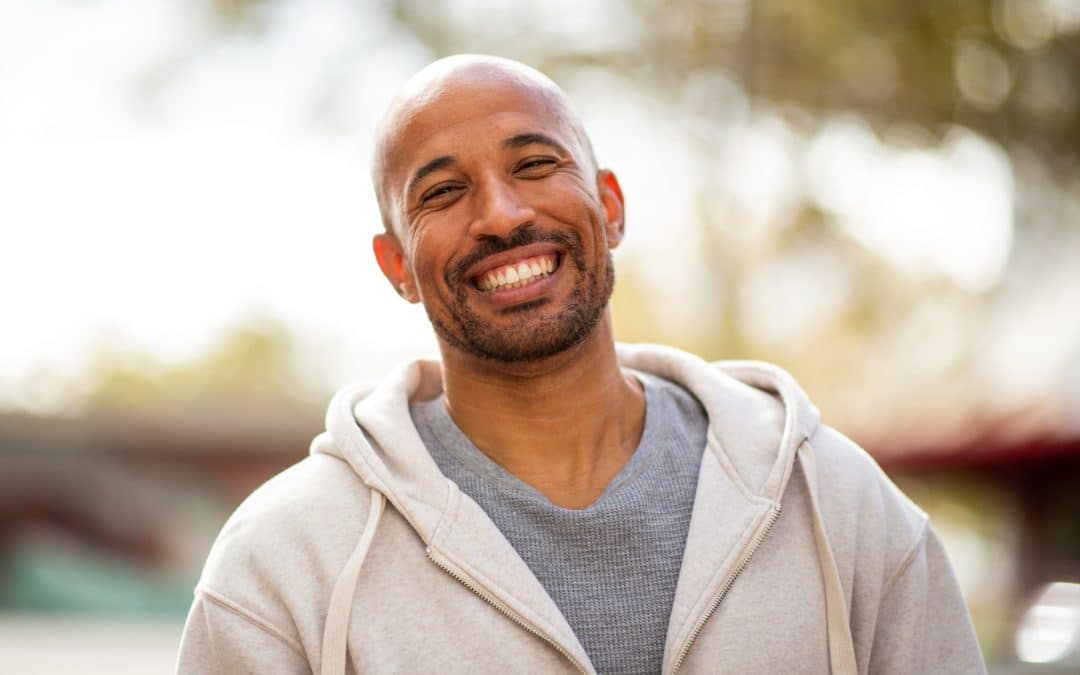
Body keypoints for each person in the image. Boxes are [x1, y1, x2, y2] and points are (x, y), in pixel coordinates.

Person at [177, 55, 985, 674]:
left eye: (533, 164)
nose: (503, 213)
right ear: (396, 265)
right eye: (443, 193)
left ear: (611, 206)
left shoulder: (839, 504)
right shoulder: (282, 561)